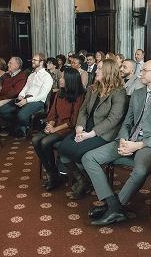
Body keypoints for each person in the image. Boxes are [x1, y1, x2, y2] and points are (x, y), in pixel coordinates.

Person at [82, 60, 151, 226]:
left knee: (140, 171)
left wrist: (138, 145)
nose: (140, 73)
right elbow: (127, 122)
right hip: (128, 140)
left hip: (149, 146)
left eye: (144, 70)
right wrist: (124, 140)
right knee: (89, 158)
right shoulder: (138, 93)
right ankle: (114, 205)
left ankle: (114, 208)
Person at [57, 59, 127, 200]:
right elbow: (83, 111)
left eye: (100, 69)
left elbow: (113, 119)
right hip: (85, 129)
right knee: (62, 148)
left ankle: (85, 180)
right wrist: (79, 128)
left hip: (103, 133)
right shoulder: (92, 88)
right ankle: (83, 179)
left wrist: (90, 134)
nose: (96, 71)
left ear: (109, 71)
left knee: (76, 151)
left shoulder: (119, 92)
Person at [32, 68, 85, 191]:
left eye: (63, 78)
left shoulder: (79, 95)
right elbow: (52, 113)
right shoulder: (59, 93)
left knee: (45, 142)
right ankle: (52, 173)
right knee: (35, 140)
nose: (60, 80)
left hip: (68, 129)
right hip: (56, 125)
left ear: (70, 80)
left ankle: (54, 175)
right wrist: (50, 125)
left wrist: (54, 129)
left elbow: (73, 121)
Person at [0, 53, 53, 137]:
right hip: (24, 98)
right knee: (2, 111)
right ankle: (21, 125)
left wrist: (27, 100)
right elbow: (25, 88)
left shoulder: (47, 77)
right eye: (32, 59)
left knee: (21, 115)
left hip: (37, 101)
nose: (32, 61)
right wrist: (21, 95)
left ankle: (22, 127)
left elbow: (42, 95)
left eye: (35, 60)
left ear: (41, 62)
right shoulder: (31, 75)